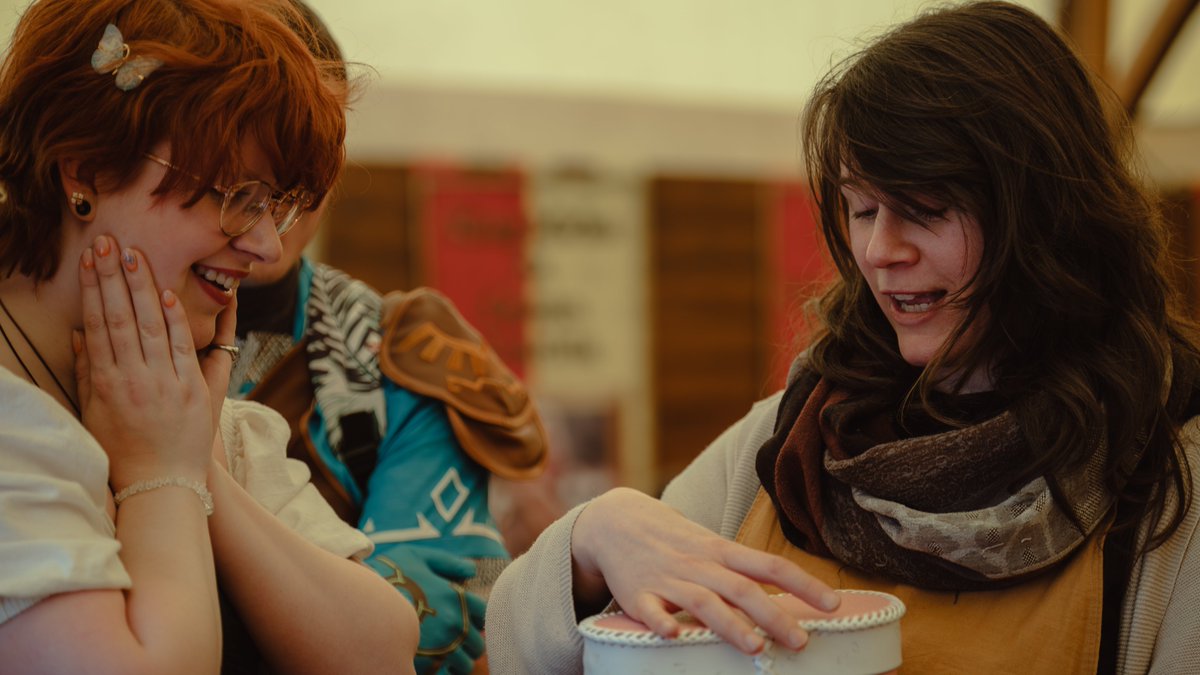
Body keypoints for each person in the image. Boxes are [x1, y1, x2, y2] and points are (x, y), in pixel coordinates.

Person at [484, 3, 1200, 674]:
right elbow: (514, 650)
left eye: (923, 208)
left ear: (1047, 214)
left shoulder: (1173, 479)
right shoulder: (796, 430)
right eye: (861, 209)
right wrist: (589, 542)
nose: (880, 250)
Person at [0, 1, 419, 673]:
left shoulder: (194, 409)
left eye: (276, 204)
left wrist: (194, 462)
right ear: (84, 169)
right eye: (240, 196)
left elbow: (385, 652)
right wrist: (159, 474)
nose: (264, 245)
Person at [228, 4, 548, 673]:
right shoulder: (48, 330)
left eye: (309, 146)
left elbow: (437, 616)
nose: (279, 187)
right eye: (242, 141)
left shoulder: (400, 354)